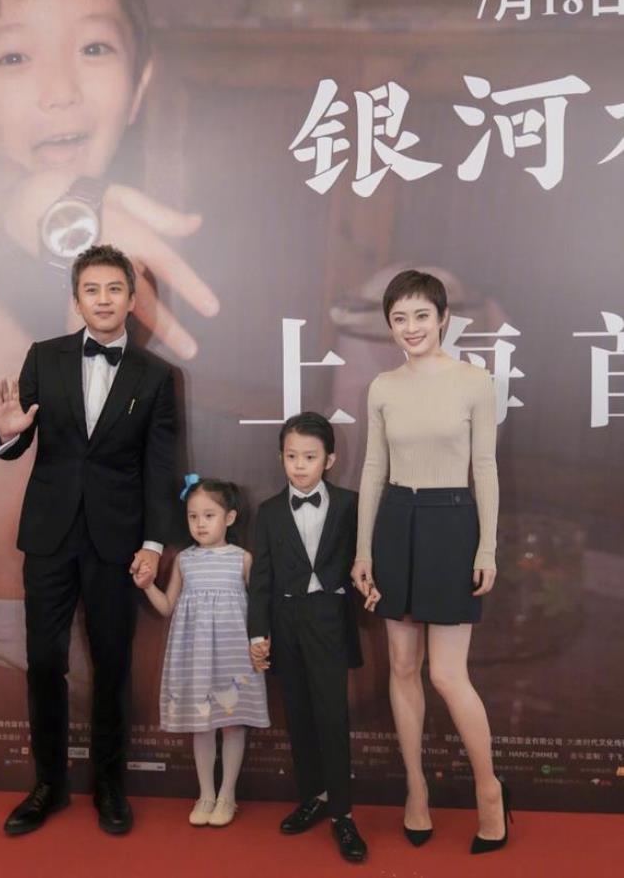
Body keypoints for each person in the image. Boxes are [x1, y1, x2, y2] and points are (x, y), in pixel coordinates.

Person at [0, 0, 217, 738]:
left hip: (109, 604)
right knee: (0, 752)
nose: (60, 88)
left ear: (141, 82)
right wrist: (39, 205)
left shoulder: (142, 253)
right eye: (13, 58)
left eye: (93, 47)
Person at [0, 244, 176, 836]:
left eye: (114, 289)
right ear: (76, 299)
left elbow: (161, 467)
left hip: (117, 540)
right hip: (49, 535)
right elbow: (19, 436)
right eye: (92, 290)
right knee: (44, 662)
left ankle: (110, 787)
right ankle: (48, 785)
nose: (103, 299)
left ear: (132, 299)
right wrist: (6, 436)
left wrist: (154, 544)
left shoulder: (157, 376)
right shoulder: (44, 357)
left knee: (113, 663)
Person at [351, 268, 510, 855]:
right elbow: (373, 469)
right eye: (399, 318)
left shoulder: (475, 381)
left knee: (446, 674)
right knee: (401, 664)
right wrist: (364, 549)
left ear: (443, 318)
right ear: (388, 325)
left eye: (421, 315)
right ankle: (415, 789)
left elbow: (484, 468)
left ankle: (489, 790)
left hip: (452, 522)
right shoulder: (383, 387)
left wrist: (487, 546)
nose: (411, 327)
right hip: (396, 520)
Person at [248, 412, 368, 864]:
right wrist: (257, 633)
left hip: (330, 618)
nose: (299, 465)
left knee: (332, 717)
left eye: (310, 457)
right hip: (286, 621)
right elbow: (260, 580)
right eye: (291, 456)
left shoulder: (350, 504)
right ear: (281, 457)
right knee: (297, 715)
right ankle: (313, 797)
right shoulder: (269, 511)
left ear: (330, 460)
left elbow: (366, 558)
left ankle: (343, 814)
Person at [142, 476, 269, 827]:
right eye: (193, 516)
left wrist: (261, 641)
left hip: (233, 656)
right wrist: (148, 585)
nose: (200, 524)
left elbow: (260, 609)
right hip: (195, 657)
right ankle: (206, 794)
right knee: (202, 726)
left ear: (230, 518)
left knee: (233, 725)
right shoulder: (184, 560)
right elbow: (167, 606)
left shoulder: (243, 559)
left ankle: (227, 795)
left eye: (209, 516)